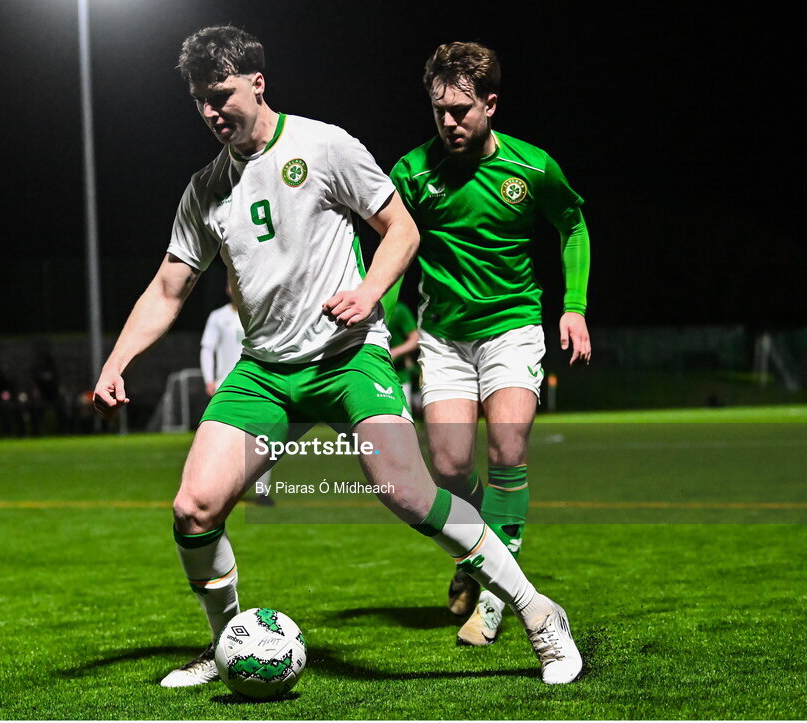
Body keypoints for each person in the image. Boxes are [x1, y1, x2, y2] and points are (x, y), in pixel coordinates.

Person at [92, 26, 582, 687]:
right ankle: (225, 641)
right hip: (265, 373)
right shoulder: (204, 189)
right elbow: (168, 286)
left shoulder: (322, 146)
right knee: (193, 507)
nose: (211, 113)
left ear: (256, 84)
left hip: (347, 358)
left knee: (409, 491)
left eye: (222, 95)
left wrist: (368, 292)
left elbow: (400, 229)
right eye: (199, 101)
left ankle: (539, 613)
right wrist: (116, 360)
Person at [389, 41, 592, 647]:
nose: (449, 123)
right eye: (439, 111)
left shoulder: (533, 169)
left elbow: (573, 225)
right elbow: (394, 246)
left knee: (507, 448)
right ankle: (477, 546)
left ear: (491, 105)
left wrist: (574, 307)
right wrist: (390, 320)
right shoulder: (412, 173)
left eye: (462, 110)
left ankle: (501, 602)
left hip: (513, 327)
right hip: (444, 337)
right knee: (450, 469)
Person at [199, 281, 273, 505]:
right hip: (227, 387)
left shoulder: (262, 312)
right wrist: (209, 379)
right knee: (221, 442)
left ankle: (263, 492)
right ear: (227, 288)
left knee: (264, 440)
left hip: (260, 385)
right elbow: (207, 348)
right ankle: (220, 488)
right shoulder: (218, 317)